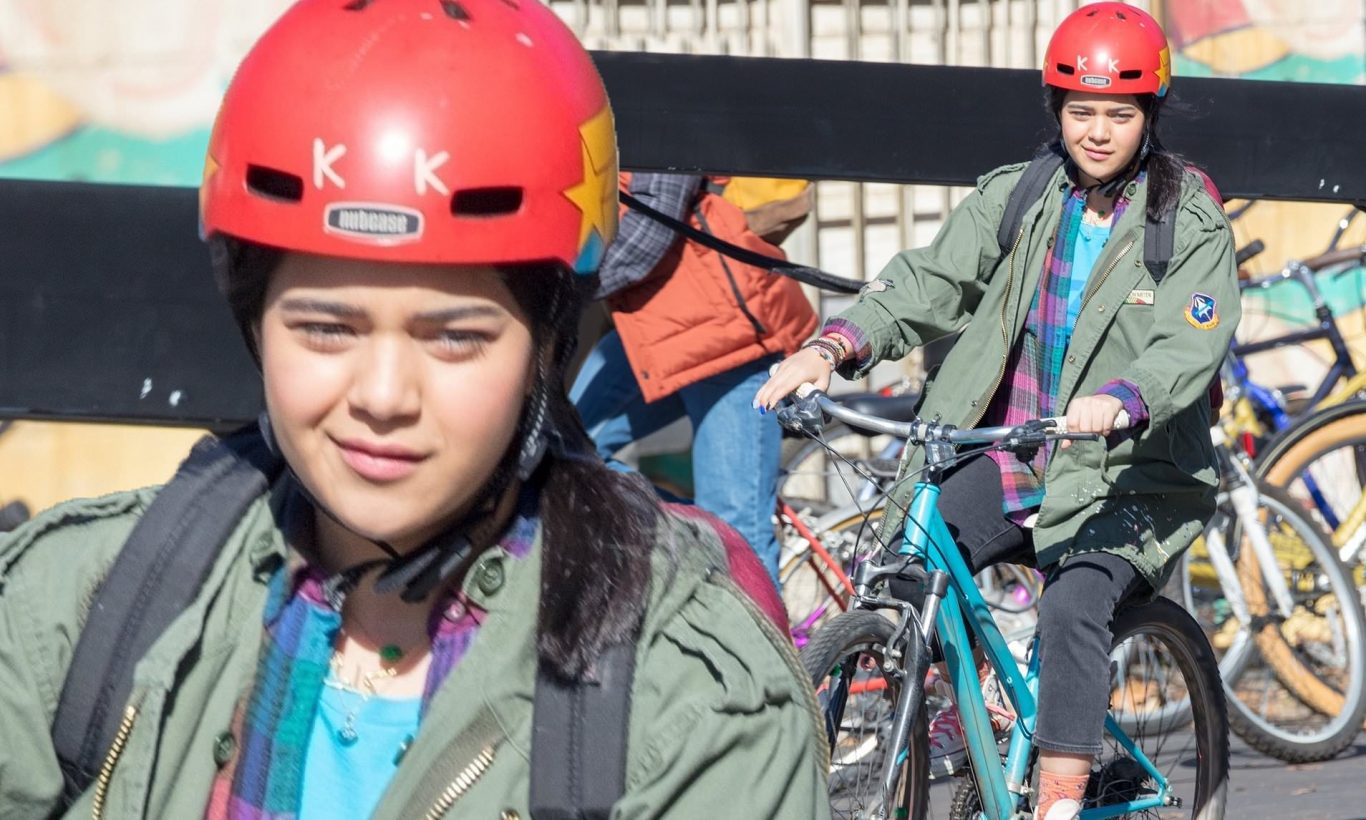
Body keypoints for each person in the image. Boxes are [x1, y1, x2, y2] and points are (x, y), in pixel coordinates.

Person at [0, 2, 829, 817]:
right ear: (255, 324)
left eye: (455, 338)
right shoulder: (70, 613)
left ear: (546, 345)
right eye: (326, 330)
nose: (383, 397)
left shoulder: (693, 702)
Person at [757, 4, 1238, 819]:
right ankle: (967, 705)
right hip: (1018, 452)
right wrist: (833, 346)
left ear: (1150, 115)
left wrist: (1123, 400)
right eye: (1080, 111)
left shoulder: (1184, 218)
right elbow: (931, 279)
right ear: (1056, 109)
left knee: (1072, 604)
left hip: (1129, 474)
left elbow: (1189, 343)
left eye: (1119, 114)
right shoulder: (1022, 194)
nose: (1097, 132)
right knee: (912, 565)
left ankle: (1058, 797)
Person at [570, 172, 817, 584]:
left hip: (725, 333)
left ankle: (751, 623)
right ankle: (689, 540)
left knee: (735, 532)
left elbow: (654, 222)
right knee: (567, 455)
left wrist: (561, 289)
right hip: (650, 327)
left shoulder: (657, 131)